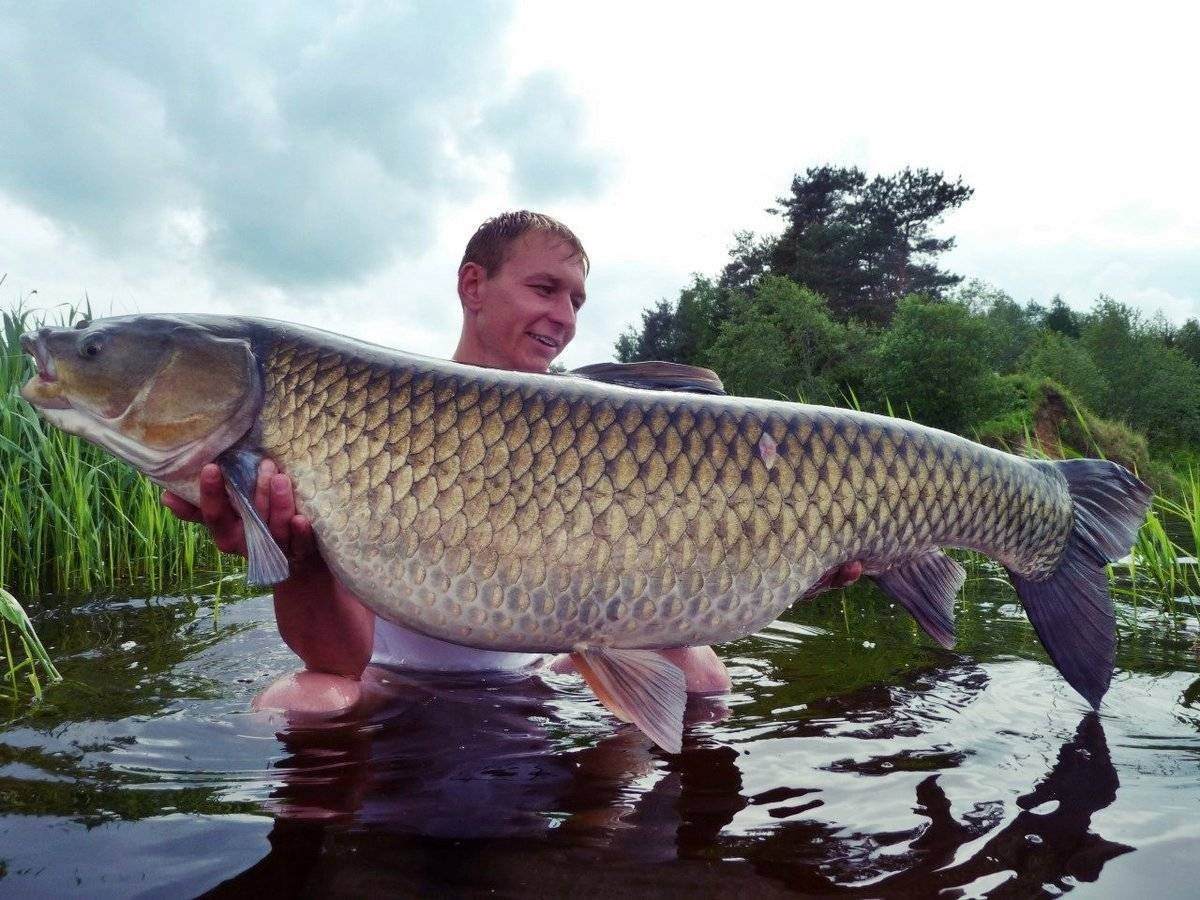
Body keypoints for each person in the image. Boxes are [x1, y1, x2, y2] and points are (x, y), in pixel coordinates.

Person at [165, 212, 807, 715]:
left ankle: (606, 850)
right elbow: (337, 660)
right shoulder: (365, 416)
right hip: (402, 687)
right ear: (474, 285)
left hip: (538, 682)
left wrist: (804, 555)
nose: (563, 317)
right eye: (545, 289)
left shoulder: (610, 437)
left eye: (577, 301)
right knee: (308, 702)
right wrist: (295, 558)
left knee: (701, 677)